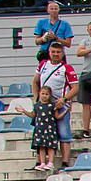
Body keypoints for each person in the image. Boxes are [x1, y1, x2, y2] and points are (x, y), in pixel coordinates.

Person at [32, 39, 75, 171]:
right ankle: (39, 161)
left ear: (62, 53)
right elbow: (34, 82)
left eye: (58, 52)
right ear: (49, 52)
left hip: (59, 103)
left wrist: (65, 98)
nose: (55, 54)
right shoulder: (43, 65)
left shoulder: (66, 68)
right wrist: (36, 100)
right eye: (53, 51)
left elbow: (75, 87)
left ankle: (65, 161)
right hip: (44, 104)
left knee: (63, 133)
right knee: (40, 132)